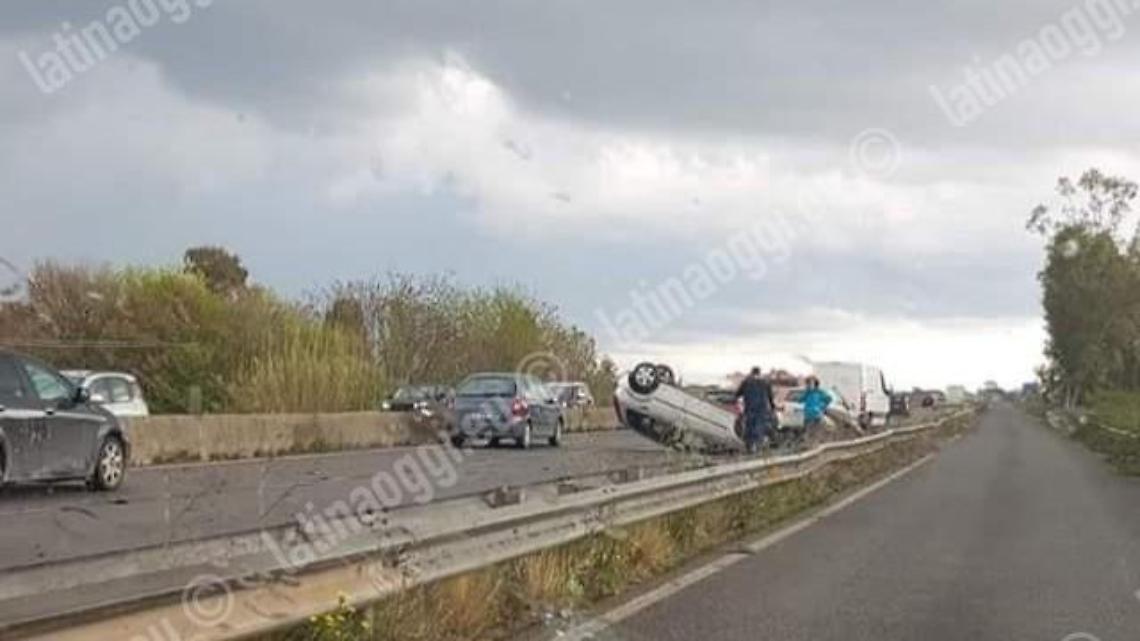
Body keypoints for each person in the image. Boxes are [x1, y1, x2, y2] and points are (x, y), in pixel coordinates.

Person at [734, 366, 776, 454]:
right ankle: (757, 446)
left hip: (749, 408)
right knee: (759, 427)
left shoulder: (746, 382)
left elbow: (738, 394)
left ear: (751, 373)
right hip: (761, 409)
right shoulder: (765, 383)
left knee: (749, 426)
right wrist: (772, 407)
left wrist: (736, 400)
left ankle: (750, 446)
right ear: (759, 373)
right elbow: (770, 397)